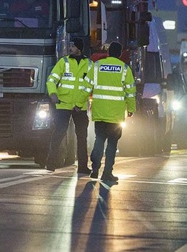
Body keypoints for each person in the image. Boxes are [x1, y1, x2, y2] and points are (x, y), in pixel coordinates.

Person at [84, 41, 136, 183]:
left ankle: (95, 168)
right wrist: (131, 109)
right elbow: (131, 92)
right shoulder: (125, 69)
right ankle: (107, 173)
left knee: (99, 140)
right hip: (116, 115)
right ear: (119, 54)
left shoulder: (97, 66)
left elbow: (86, 86)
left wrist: (79, 103)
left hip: (100, 111)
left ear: (108, 52)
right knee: (112, 144)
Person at [45, 37, 92, 173]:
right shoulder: (64, 62)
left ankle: (83, 167)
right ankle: (51, 163)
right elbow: (51, 79)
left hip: (80, 107)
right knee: (59, 134)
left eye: (73, 46)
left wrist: (80, 103)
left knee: (82, 137)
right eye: (70, 45)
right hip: (63, 104)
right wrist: (53, 93)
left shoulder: (89, 64)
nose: (70, 48)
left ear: (79, 48)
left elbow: (90, 85)